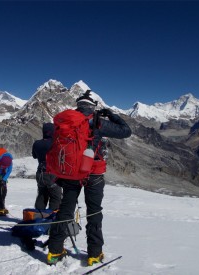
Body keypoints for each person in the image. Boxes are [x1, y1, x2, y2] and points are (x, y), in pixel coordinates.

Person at [46, 90, 132, 266]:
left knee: (65, 210)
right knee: (94, 212)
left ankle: (54, 251)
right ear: (93, 106)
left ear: (78, 105)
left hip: (71, 173)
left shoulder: (66, 121)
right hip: (93, 173)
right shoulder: (98, 121)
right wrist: (113, 116)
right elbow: (126, 131)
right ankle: (94, 254)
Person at [32, 122, 62, 210]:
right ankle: (52, 219)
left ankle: (38, 216)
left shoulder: (37, 143)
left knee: (42, 195)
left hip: (40, 173)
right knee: (55, 197)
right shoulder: (56, 143)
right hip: (52, 173)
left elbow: (34, 156)